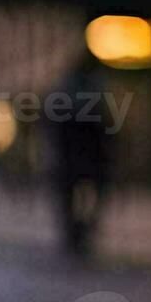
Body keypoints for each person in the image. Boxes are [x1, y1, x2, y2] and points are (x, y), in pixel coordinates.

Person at [48, 52, 111, 256]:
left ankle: (76, 230)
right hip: (87, 153)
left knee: (70, 194)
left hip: (73, 153)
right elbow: (106, 126)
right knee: (92, 191)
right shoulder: (95, 89)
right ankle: (81, 229)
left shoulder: (65, 90)